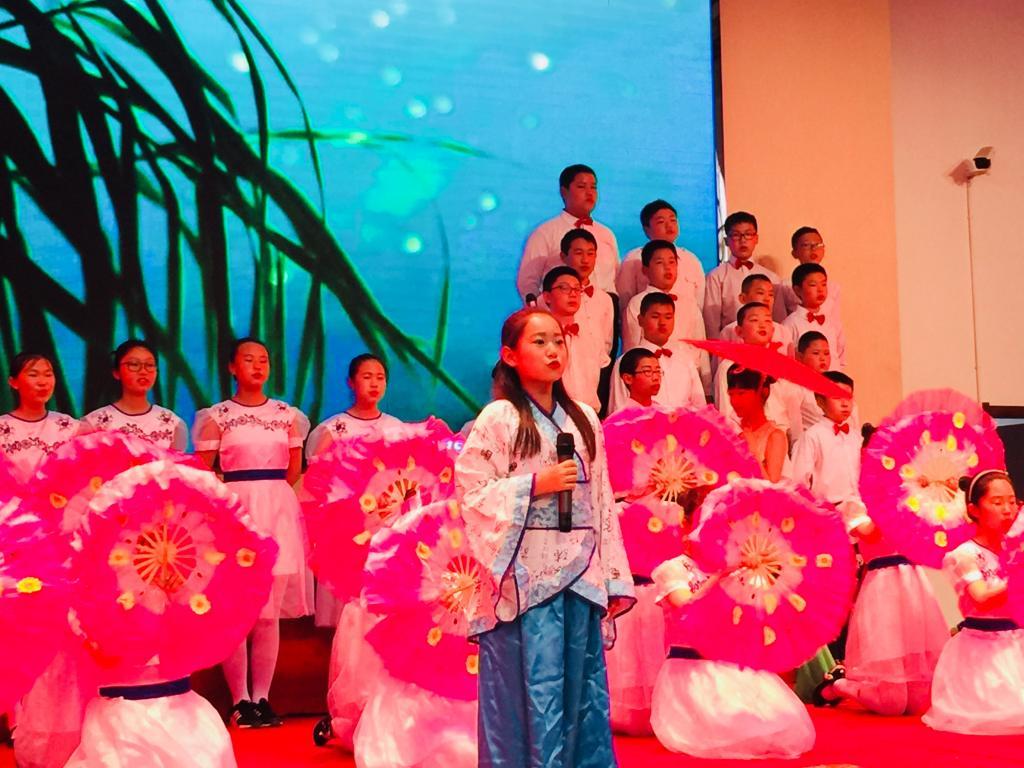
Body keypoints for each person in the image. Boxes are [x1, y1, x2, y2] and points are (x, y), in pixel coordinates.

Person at [455, 307, 634, 766]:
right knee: (529, 693)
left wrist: (613, 576)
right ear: (510, 355)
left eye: (558, 340)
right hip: (524, 578)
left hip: (581, 573)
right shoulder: (500, 417)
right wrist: (535, 484)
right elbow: (471, 492)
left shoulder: (585, 418)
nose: (554, 350)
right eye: (539, 342)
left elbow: (602, 500)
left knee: (582, 693)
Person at [796, 373, 949, 715]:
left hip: (913, 585)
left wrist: (932, 498)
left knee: (918, 697)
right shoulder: (856, 502)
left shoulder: (905, 497)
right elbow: (869, 533)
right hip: (881, 586)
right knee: (892, 701)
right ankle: (838, 685)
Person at [193, 338, 310, 729]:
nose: (258, 366)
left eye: (264, 359)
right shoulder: (218, 416)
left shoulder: (287, 415)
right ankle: (238, 700)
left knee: (268, 614)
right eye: (248, 359)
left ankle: (262, 698)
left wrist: (268, 495)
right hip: (235, 513)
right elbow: (201, 471)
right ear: (232, 367)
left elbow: (293, 470)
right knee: (237, 611)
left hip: (277, 508)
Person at [307, 354, 405, 749]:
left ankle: (389, 704)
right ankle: (353, 706)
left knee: (389, 615)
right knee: (357, 616)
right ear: (351, 382)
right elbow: (319, 486)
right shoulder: (334, 429)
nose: (375, 383)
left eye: (380, 377)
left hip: (392, 536)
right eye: (367, 376)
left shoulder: (398, 429)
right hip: (352, 535)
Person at [4, 352, 87, 768]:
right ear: (14, 382)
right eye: (33, 374)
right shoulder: (2, 429)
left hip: (62, 537)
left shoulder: (71, 428)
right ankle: (17, 717)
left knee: (59, 626)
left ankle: (60, 716)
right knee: (18, 624)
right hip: (15, 537)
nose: (43, 380)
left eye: (49, 373)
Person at [650, 551, 815, 759]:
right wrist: (719, 576)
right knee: (724, 728)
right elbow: (686, 606)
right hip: (690, 668)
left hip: (731, 663)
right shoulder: (672, 569)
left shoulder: (736, 571)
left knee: (776, 722)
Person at [924, 471, 1024, 735]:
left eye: (1012, 501)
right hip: (983, 651)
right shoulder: (964, 555)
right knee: (1006, 716)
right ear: (974, 509)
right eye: (997, 502)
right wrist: (1018, 576)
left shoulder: (1017, 549)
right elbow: (981, 598)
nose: (1008, 510)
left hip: (1018, 642)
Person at [517, 164, 619, 298]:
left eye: (593, 187)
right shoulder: (545, 233)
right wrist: (542, 308)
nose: (590, 193)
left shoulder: (606, 234)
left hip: (604, 309)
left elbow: (617, 279)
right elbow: (527, 282)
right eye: (581, 186)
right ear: (564, 192)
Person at [621, 241, 709, 390]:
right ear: (645, 270)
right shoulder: (637, 304)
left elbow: (701, 346)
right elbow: (632, 349)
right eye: (660, 263)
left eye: (672, 262)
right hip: (652, 380)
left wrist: (707, 387)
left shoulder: (689, 303)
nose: (668, 268)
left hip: (687, 378)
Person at [712, 303, 802, 442]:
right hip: (746, 440)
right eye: (754, 320)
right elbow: (726, 413)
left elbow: (794, 411)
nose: (762, 325)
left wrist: (796, 442)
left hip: (780, 439)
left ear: (773, 330)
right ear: (739, 331)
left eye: (767, 320)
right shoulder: (730, 366)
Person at [82, 340, 188, 450]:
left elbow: (178, 461)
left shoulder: (173, 424)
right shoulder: (94, 423)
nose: (143, 371)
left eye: (150, 365)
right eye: (134, 364)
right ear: (116, 372)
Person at [609, 294, 705, 413]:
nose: (662, 322)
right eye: (655, 317)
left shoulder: (685, 359)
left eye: (668, 317)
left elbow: (700, 406)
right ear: (640, 320)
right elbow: (619, 410)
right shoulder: (627, 360)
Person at [702, 211, 783, 339]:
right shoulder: (716, 276)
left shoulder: (772, 278)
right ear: (726, 241)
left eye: (748, 234)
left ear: (756, 238)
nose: (743, 240)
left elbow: (779, 317)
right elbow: (711, 322)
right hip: (731, 340)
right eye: (736, 235)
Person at [615, 200, 705, 313]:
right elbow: (624, 302)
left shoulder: (691, 260)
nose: (669, 225)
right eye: (661, 222)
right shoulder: (633, 259)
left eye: (673, 220)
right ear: (646, 229)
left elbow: (699, 303)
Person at [542, 266, 609, 411]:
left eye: (577, 289)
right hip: (553, 414)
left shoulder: (592, 335)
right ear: (547, 297)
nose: (573, 294)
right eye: (564, 288)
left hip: (589, 413)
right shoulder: (541, 340)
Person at [725, 366, 788, 482]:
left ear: (763, 392)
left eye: (741, 394)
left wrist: (752, 453)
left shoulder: (775, 436)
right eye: (731, 394)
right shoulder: (737, 432)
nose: (734, 401)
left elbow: (771, 487)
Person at [782, 263, 846, 370]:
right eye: (813, 285)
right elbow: (786, 359)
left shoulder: (833, 323)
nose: (820, 290)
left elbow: (840, 356)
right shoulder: (790, 324)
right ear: (797, 290)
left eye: (823, 284)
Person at [719, 274, 794, 356]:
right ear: (743, 298)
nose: (767, 299)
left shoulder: (783, 332)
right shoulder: (729, 331)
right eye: (760, 293)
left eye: (771, 294)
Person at [781, 227, 842, 317]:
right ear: (794, 253)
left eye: (817, 245)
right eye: (806, 245)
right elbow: (780, 319)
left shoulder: (833, 287)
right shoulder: (785, 286)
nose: (813, 249)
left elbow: (835, 320)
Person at [611, 348, 661, 413]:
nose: (656, 378)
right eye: (647, 371)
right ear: (628, 379)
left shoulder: (666, 414)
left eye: (658, 371)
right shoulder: (620, 418)